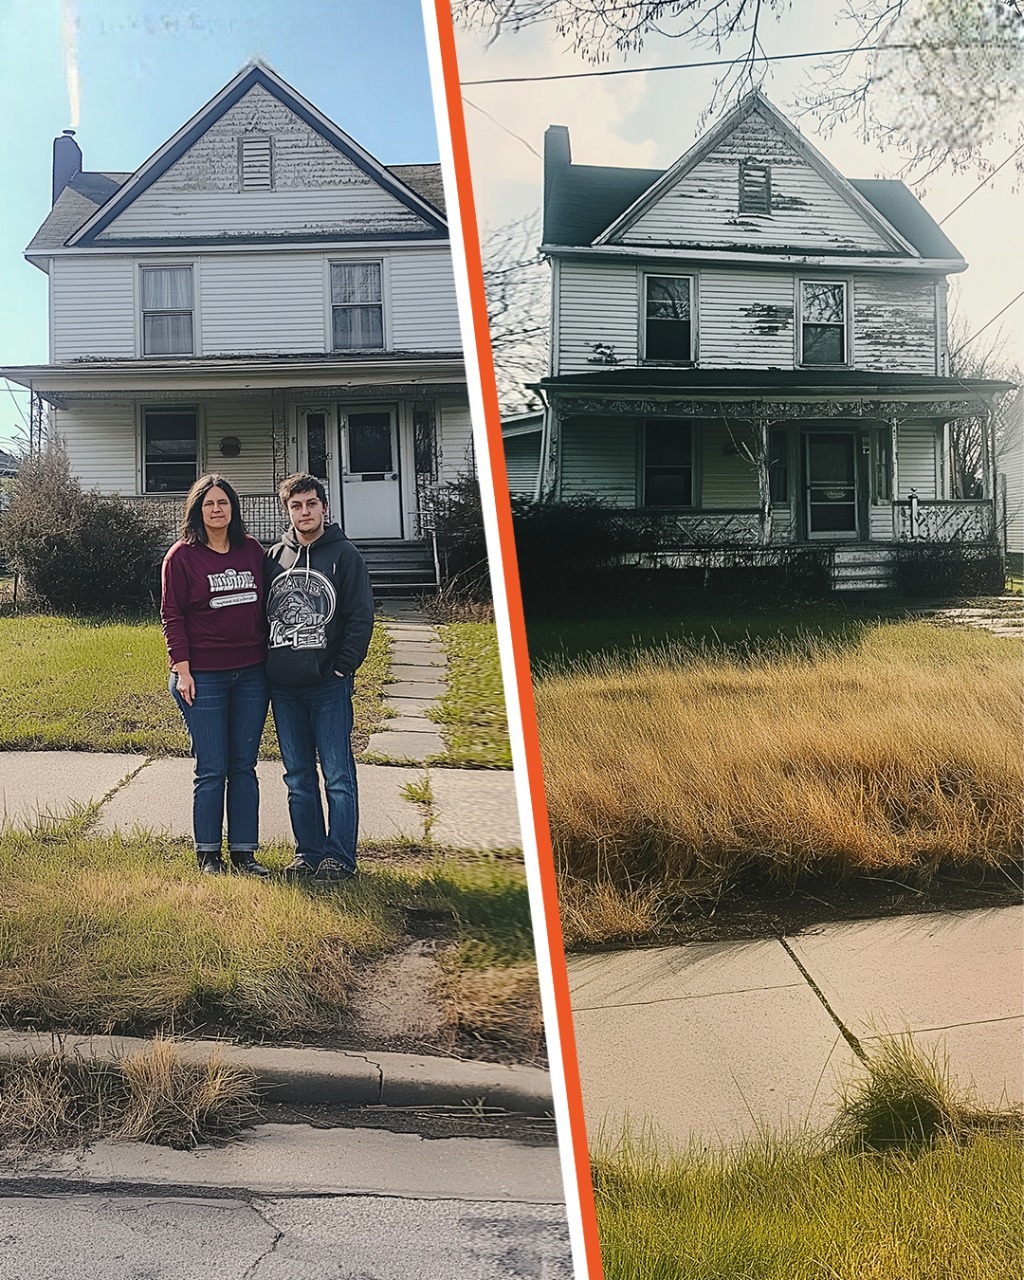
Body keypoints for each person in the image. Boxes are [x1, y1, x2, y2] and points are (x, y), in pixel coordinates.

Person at [265, 473, 374, 883]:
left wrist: (344, 666)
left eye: (312, 503)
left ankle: (339, 857)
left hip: (329, 684)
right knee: (297, 776)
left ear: (324, 507)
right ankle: (308, 853)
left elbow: (361, 616)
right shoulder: (274, 556)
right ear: (287, 510)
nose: (305, 512)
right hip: (284, 686)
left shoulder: (345, 555)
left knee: (338, 774)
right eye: (296, 505)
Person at [161, 474, 270, 877]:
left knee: (243, 765)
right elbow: (171, 615)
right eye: (209, 503)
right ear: (197, 509)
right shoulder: (182, 556)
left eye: (223, 502)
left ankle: (244, 853)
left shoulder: (253, 552)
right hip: (203, 676)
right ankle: (208, 854)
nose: (217, 509)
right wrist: (182, 670)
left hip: (252, 674)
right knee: (212, 766)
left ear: (233, 508)